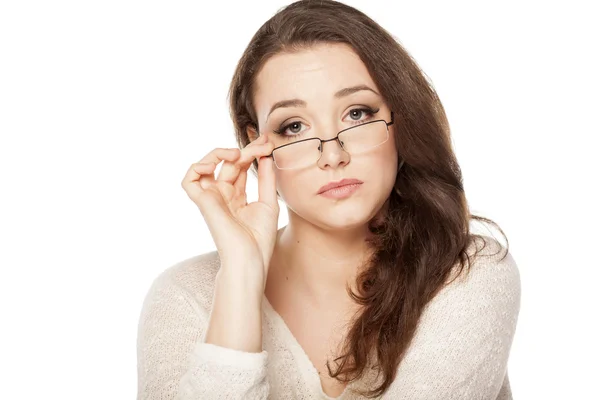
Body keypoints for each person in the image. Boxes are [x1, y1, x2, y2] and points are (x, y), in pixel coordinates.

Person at [136, 1, 521, 399]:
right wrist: (240, 275)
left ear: (399, 120)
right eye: (294, 126)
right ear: (258, 146)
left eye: (356, 114)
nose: (333, 155)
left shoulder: (465, 272)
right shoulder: (184, 297)